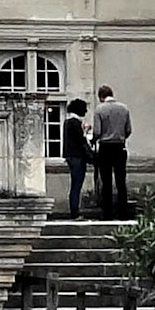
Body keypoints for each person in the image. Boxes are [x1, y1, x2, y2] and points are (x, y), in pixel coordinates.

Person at [90, 85, 133, 218]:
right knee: (121, 181)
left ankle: (107, 213)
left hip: (105, 147)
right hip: (120, 146)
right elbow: (128, 130)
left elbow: (97, 131)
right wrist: (120, 136)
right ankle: (123, 213)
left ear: (101, 97)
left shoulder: (100, 109)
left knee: (106, 182)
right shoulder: (124, 108)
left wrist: (93, 140)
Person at [56, 90, 92, 218]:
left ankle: (74, 211)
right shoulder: (75, 123)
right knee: (77, 185)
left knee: (75, 184)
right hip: (77, 157)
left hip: (70, 156)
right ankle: (74, 212)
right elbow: (81, 141)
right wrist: (86, 132)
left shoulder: (67, 122)